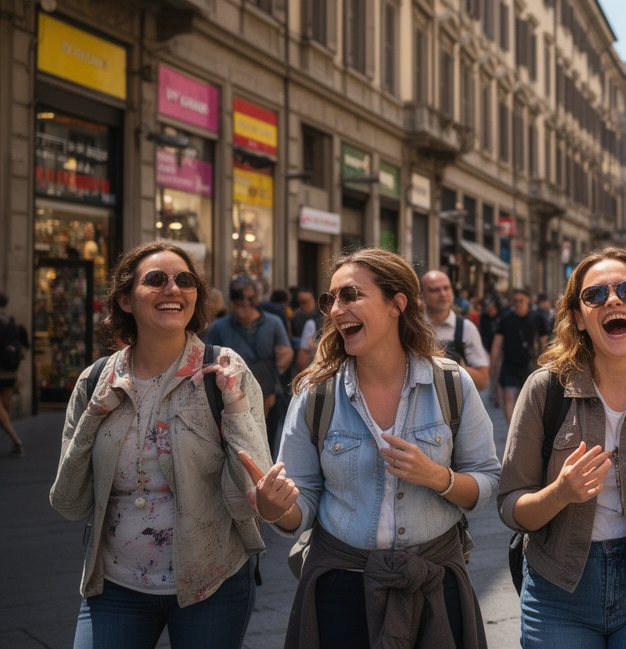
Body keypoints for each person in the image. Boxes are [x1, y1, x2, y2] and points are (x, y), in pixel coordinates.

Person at [270, 248, 501, 649]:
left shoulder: (451, 383)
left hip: (434, 584)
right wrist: (274, 505)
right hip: (340, 588)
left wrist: (438, 477)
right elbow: (299, 503)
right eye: (330, 299)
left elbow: (487, 480)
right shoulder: (315, 394)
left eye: (351, 295)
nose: (337, 309)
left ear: (397, 304)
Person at [50, 241, 272, 649]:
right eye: (156, 280)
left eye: (185, 280)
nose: (173, 289)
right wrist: (93, 417)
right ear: (125, 299)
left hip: (212, 583)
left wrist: (235, 406)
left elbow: (250, 500)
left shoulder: (224, 372)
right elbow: (68, 502)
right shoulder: (95, 380)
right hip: (115, 586)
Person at [498, 247, 626, 648]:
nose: (613, 300)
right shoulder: (545, 390)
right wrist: (560, 493)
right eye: (594, 295)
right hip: (558, 591)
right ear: (578, 318)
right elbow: (511, 506)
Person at [208, 276, 294, 447]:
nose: (244, 303)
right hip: (230, 401)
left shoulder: (273, 323)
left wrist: (287, 355)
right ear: (232, 298)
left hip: (268, 398)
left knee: (266, 446)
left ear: (257, 298)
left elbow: (284, 357)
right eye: (238, 297)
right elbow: (208, 360)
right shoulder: (219, 327)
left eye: (250, 298)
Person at [422, 270, 490, 392]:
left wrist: (457, 367)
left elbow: (483, 382)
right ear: (421, 294)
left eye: (446, 288)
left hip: (455, 401)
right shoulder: (411, 328)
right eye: (434, 290)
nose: (443, 294)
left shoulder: (467, 328)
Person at [491, 288, 550, 422]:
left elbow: (544, 343)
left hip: (530, 365)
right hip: (510, 365)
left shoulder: (537, 318)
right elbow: (497, 344)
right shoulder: (505, 319)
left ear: (527, 301)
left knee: (530, 400)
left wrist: (546, 364)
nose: (518, 304)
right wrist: (492, 366)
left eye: (521, 301)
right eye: (515, 301)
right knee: (508, 397)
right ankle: (512, 428)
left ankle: (525, 426)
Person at [0, 291, 30, 455]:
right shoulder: (12, 322)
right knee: (5, 408)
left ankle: (16, 441)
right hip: (11, 372)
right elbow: (23, 346)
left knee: (2, 411)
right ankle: (15, 441)